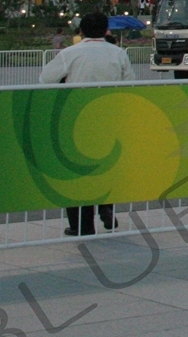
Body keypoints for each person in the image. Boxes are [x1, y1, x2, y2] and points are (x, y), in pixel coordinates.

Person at [39, 12, 133, 236]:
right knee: (105, 167)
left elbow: (45, 79)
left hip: (76, 119)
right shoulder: (118, 54)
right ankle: (106, 207)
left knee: (76, 172)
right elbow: (131, 83)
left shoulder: (70, 53)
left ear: (81, 31)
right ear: (106, 30)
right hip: (110, 118)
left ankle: (81, 225)